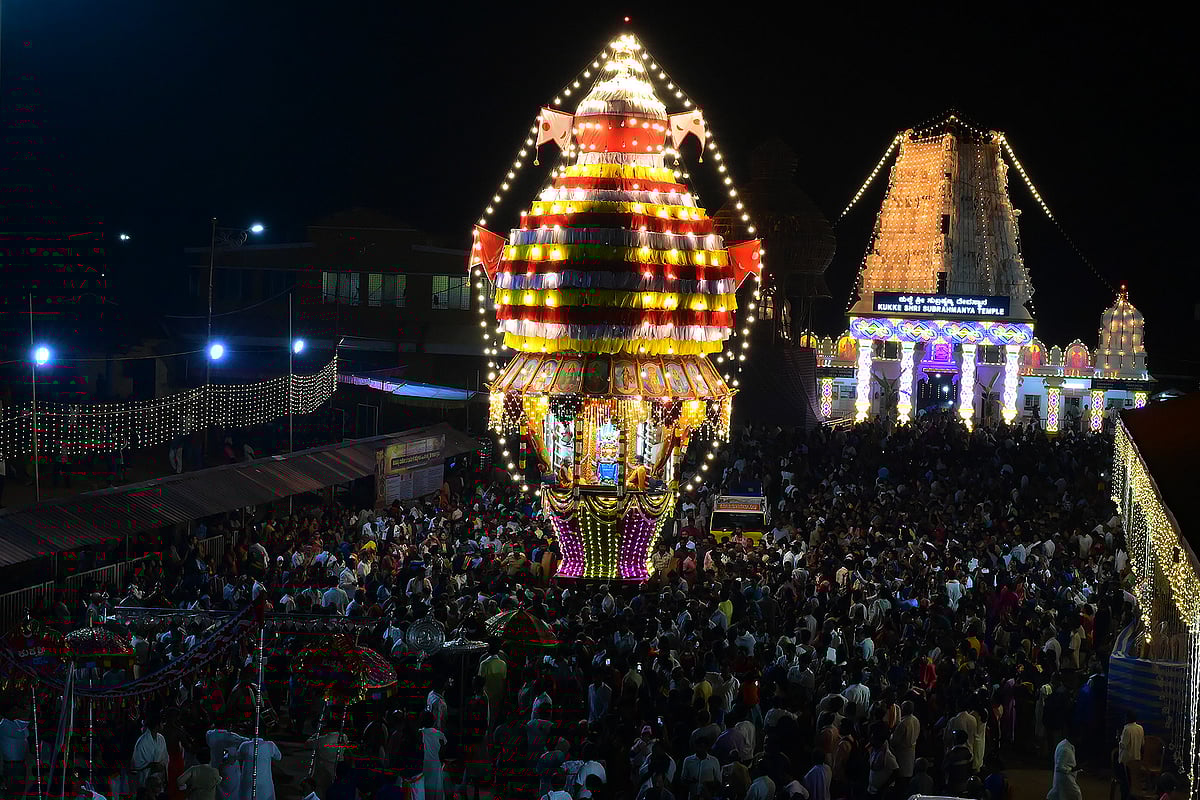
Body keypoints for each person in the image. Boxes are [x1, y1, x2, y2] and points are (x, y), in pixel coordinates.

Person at [132, 713, 169, 796]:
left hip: (159, 777)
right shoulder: (142, 741)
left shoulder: (161, 738)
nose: (163, 725)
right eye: (161, 723)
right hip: (145, 778)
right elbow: (137, 762)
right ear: (157, 725)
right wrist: (150, 765)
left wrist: (161, 767)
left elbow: (165, 757)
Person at [1117, 711, 1145, 800]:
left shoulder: (1127, 729)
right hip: (1136, 759)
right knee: (1133, 781)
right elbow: (1142, 743)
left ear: (1127, 718)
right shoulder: (1140, 728)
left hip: (1126, 760)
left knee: (1125, 782)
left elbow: (1123, 745)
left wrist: (1118, 738)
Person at [1047, 731, 1082, 800]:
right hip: (1065, 778)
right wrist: (1073, 769)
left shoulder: (1064, 744)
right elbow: (1059, 767)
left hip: (1063, 778)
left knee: (1057, 795)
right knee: (1076, 795)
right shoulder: (1065, 749)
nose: (1079, 740)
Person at [420, 711, 447, 800]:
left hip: (424, 765)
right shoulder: (439, 735)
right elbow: (443, 752)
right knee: (435, 791)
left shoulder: (420, 733)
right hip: (435, 765)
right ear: (434, 721)